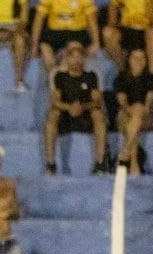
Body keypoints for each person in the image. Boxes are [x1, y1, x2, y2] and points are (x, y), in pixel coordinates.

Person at [43, 42, 108, 175]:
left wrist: (82, 107)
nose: (77, 60)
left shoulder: (91, 76)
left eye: (80, 57)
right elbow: (55, 101)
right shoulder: (59, 76)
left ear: (84, 59)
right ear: (67, 59)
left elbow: (97, 101)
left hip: (85, 115)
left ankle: (100, 163)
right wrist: (70, 107)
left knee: (98, 115)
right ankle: (51, 164)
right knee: (52, 114)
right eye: (73, 57)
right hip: (66, 115)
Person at [30, 0, 100, 73]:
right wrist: (34, 45)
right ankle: (54, 81)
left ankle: (67, 81)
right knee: (45, 50)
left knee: (71, 54)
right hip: (54, 33)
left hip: (77, 33)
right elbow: (39, 19)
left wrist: (96, 42)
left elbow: (92, 19)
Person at [112, 48, 153, 174]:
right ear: (129, 60)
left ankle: (125, 152)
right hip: (125, 115)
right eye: (135, 58)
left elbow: (148, 103)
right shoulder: (121, 77)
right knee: (133, 121)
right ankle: (132, 162)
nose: (139, 61)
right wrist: (130, 110)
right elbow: (122, 100)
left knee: (138, 110)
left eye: (142, 58)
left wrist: (138, 110)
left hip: (146, 117)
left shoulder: (151, 78)